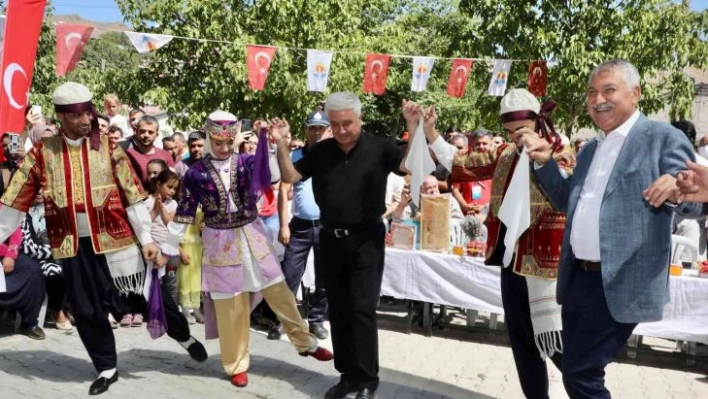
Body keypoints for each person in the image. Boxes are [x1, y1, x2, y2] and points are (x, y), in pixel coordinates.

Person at [0, 82, 207, 395]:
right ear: (61, 116)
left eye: (88, 112)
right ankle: (106, 366)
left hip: (116, 239)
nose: (85, 120)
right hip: (70, 243)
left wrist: (147, 240)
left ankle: (181, 334)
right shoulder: (43, 153)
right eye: (77, 115)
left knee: (142, 295)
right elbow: (15, 199)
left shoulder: (108, 147)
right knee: (86, 308)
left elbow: (134, 196)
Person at [524, 59, 703, 399]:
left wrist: (678, 190)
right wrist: (544, 164)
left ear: (635, 94)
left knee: (580, 374)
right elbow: (567, 202)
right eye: (592, 92)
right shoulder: (591, 148)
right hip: (578, 278)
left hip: (621, 280)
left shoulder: (663, 138)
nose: (598, 99)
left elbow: (694, 203)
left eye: (609, 90)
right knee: (576, 370)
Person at [403, 90, 576, 399]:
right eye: (509, 132)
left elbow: (566, 198)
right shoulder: (505, 153)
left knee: (556, 342)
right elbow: (462, 163)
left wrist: (544, 159)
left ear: (538, 121)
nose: (515, 137)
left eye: (521, 130)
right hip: (511, 260)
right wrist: (430, 131)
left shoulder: (560, 151)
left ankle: (587, 392)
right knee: (523, 342)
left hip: (545, 267)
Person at [161, 111, 333, 389]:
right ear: (208, 138)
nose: (225, 148)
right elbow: (185, 211)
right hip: (219, 241)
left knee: (279, 291)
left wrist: (274, 142)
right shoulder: (196, 172)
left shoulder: (246, 162)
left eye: (229, 143)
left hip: (252, 234)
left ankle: (305, 342)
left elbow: (273, 176)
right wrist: (168, 246)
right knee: (231, 307)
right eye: (218, 143)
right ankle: (236, 363)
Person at [273, 92, 407, 399]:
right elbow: (291, 175)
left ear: (360, 119)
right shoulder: (321, 152)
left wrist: (415, 127)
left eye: (348, 123)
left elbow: (407, 164)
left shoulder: (379, 146)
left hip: (366, 240)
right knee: (340, 309)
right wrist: (281, 144)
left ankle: (367, 381)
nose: (342, 130)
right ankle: (347, 377)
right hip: (329, 239)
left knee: (362, 309)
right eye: (336, 124)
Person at [271, 110, 332, 341]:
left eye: (321, 127)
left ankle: (316, 320)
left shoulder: (334, 155)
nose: (316, 131)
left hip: (327, 225)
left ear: (328, 130)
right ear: (306, 130)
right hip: (300, 225)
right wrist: (284, 225)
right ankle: (283, 321)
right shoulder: (295, 157)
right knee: (289, 275)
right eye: (312, 127)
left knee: (324, 277)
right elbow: (284, 190)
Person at [21, 193, 72, 330]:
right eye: (35, 188)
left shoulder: (56, 210)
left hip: (62, 255)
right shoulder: (22, 214)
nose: (38, 192)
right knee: (55, 273)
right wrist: (53, 251)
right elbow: (26, 247)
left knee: (79, 267)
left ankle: (71, 306)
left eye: (41, 188)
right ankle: (56, 310)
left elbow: (68, 236)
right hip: (37, 260)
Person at [0, 224, 47, 339]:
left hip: (4, 254)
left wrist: (11, 255)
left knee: (32, 270)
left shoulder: (4, 207)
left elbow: (15, 229)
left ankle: (29, 323)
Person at [145, 170, 181, 307]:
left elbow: (170, 224)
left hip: (170, 250)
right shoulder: (147, 201)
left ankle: (172, 309)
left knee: (171, 281)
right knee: (155, 281)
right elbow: (145, 224)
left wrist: (162, 208)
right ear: (159, 184)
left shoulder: (172, 204)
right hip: (154, 248)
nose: (172, 191)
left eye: (175, 188)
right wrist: (155, 208)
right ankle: (155, 310)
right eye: (169, 187)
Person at [125, 116, 176, 185]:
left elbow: (172, 183)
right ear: (136, 132)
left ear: (157, 135)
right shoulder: (127, 155)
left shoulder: (166, 155)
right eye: (142, 131)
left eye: (150, 132)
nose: (146, 135)